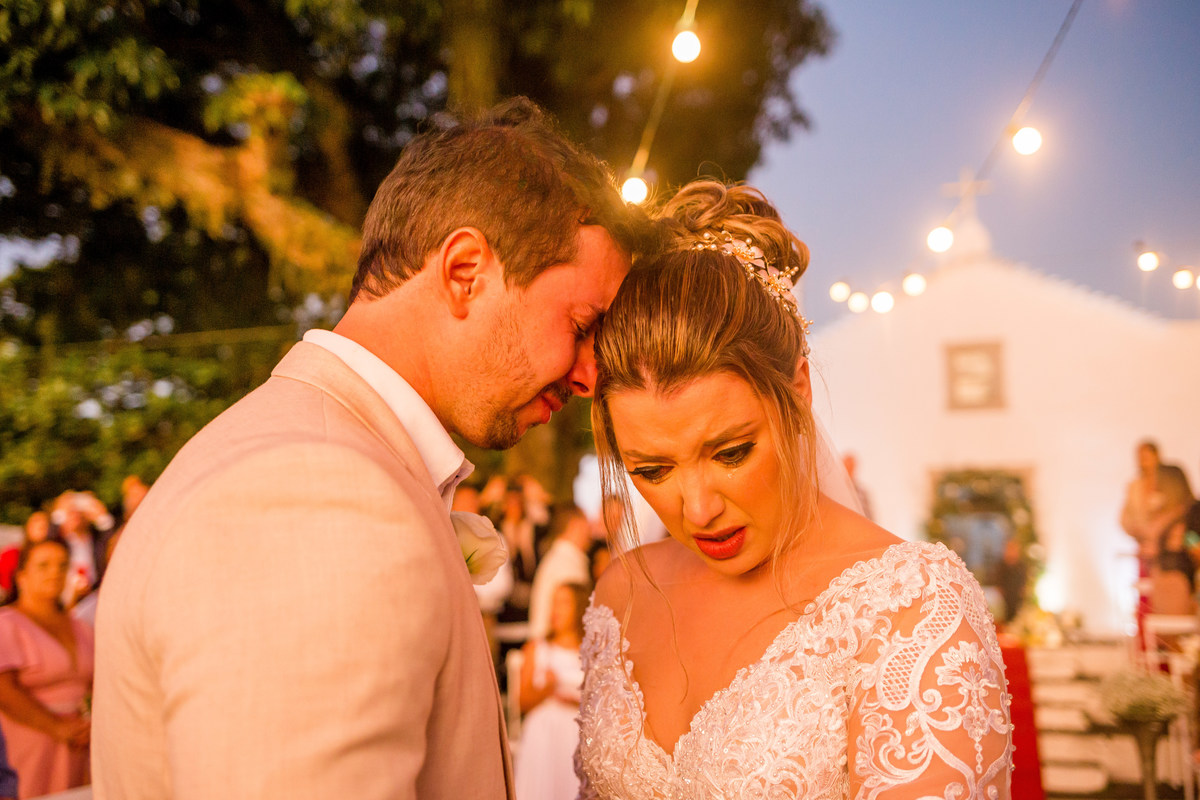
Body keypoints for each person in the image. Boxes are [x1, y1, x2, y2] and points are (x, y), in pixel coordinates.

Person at [92, 97, 654, 799]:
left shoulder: (308, 453)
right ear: (465, 272)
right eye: (581, 324)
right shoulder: (315, 500)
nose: (590, 374)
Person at [576, 182, 1013, 798]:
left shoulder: (913, 610)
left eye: (730, 452)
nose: (697, 508)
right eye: (653, 471)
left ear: (799, 391)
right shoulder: (619, 595)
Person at [0, 538, 94, 799]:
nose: (55, 572)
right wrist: (56, 727)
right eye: (44, 565)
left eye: (62, 565)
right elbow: (3, 691)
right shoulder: (7, 624)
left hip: (80, 742)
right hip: (30, 740)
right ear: (21, 575)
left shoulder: (81, 627)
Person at [514, 582, 588, 800]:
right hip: (543, 732)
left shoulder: (591, 651)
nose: (556, 610)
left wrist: (575, 700)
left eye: (564, 603)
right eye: (554, 603)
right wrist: (546, 689)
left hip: (577, 731)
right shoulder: (537, 648)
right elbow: (521, 702)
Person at [527, 505, 593, 640]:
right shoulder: (566, 564)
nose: (590, 530)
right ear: (576, 524)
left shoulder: (560, 558)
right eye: (587, 523)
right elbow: (573, 618)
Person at [1148, 465, 1198, 616]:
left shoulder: (1192, 510)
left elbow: (1193, 538)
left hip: (1180, 580)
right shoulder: (1165, 513)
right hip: (1162, 577)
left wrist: (1186, 540)